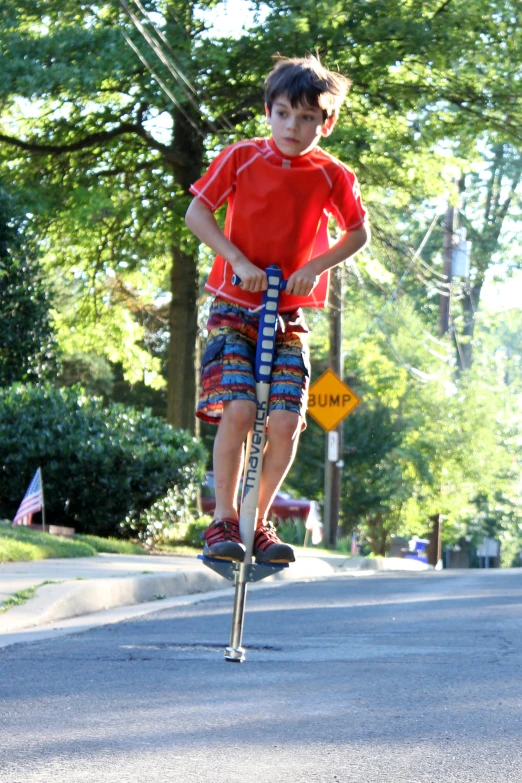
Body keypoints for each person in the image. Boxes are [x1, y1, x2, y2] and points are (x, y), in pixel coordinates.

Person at [185, 54, 369, 565]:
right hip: (234, 308)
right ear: (268, 112)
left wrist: (317, 264)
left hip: (288, 318)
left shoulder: (332, 174)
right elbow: (197, 211)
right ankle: (223, 520)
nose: (294, 126)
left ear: (325, 123)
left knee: (285, 421)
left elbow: (358, 232)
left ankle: (257, 521)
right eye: (285, 113)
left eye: (308, 117)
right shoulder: (241, 157)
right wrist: (237, 261)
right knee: (241, 410)